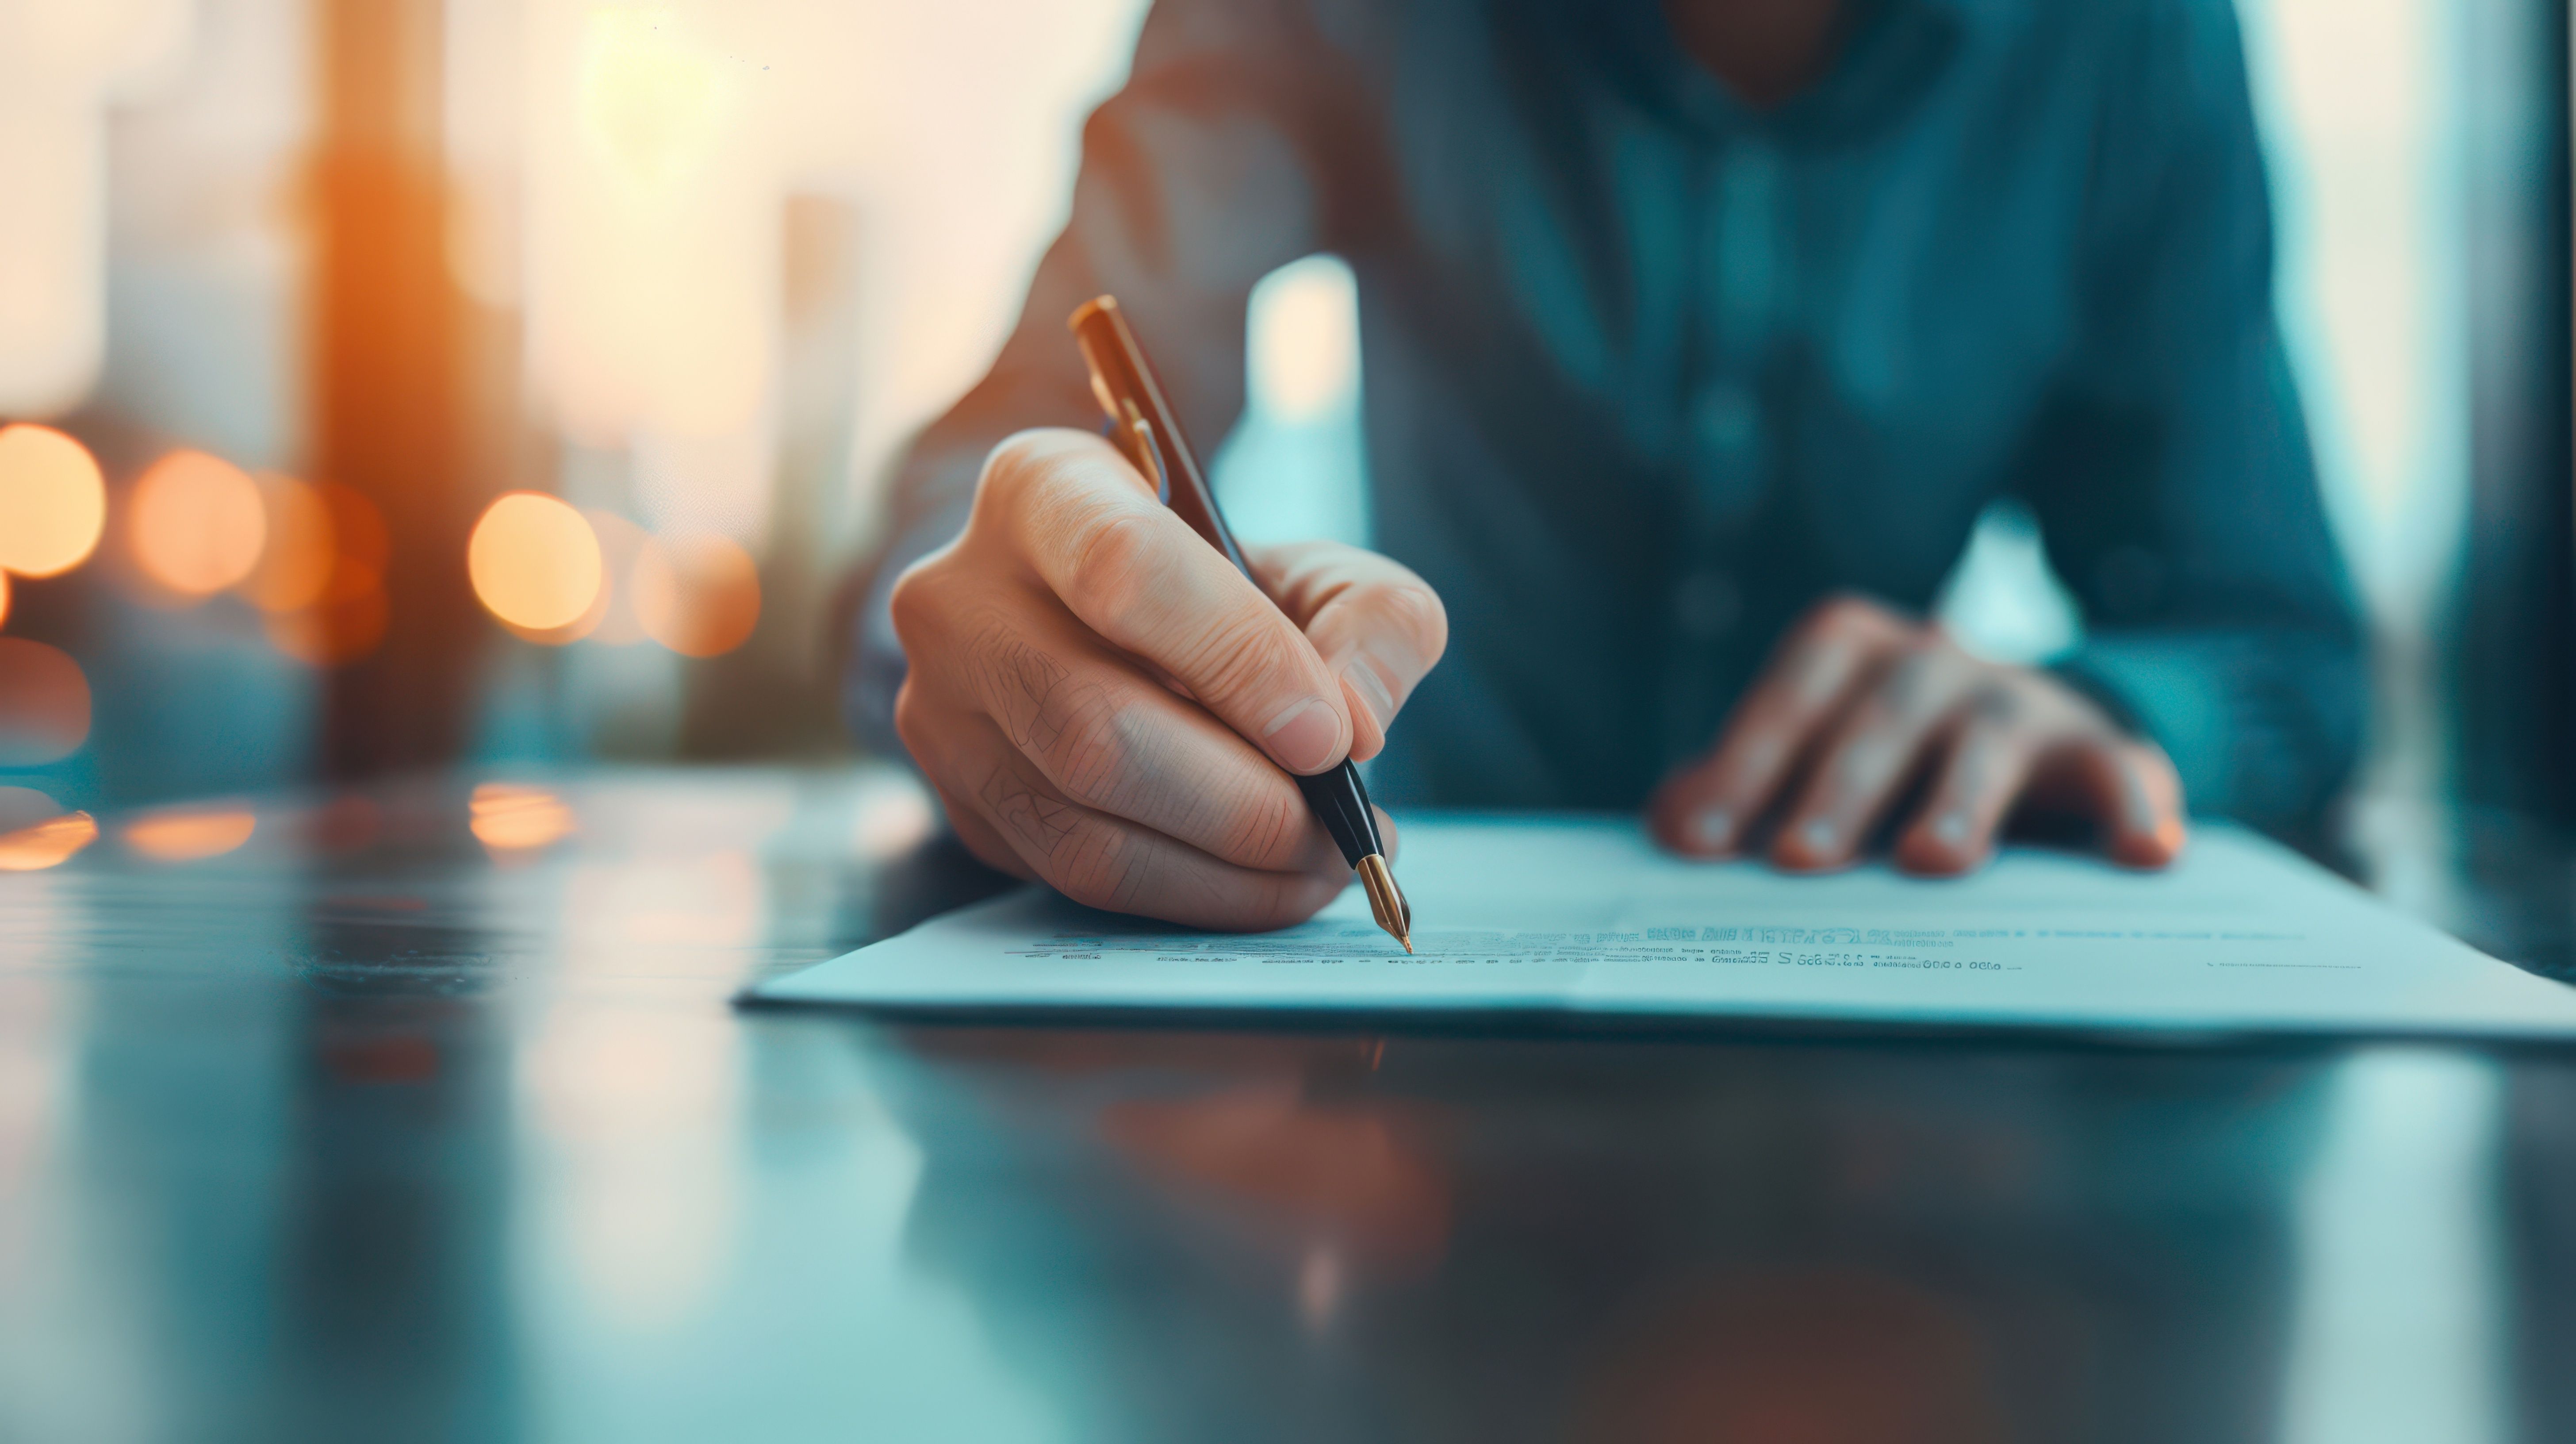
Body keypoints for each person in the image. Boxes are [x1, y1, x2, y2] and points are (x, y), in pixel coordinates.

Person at [846, 0, 2365, 932]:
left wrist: (2099, 718)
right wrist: (1024, 621)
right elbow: (1003, 467)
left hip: (1905, 1034)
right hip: (1410, 1074)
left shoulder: (2135, 36)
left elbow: (2282, 646)